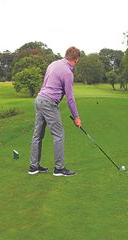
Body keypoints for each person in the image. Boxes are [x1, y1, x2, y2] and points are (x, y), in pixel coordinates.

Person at [28, 46, 82, 176]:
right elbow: (70, 98)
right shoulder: (68, 73)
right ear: (76, 60)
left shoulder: (53, 64)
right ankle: (59, 168)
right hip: (49, 103)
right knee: (59, 135)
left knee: (37, 135)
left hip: (39, 99)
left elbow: (45, 83)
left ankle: (33, 167)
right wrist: (76, 117)